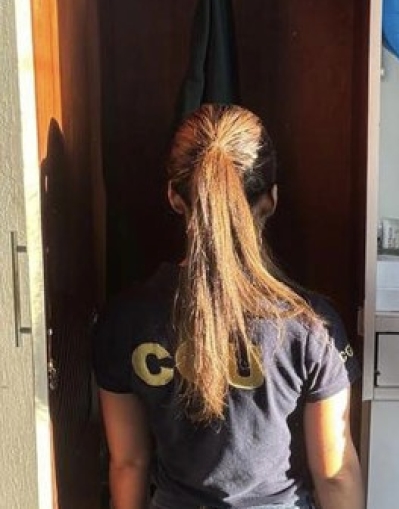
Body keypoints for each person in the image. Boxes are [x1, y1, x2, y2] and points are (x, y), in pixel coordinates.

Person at [93, 105, 364, 509]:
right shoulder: (310, 324)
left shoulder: (124, 319)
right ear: (271, 199)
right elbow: (334, 474)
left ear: (174, 197)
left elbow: (128, 463)